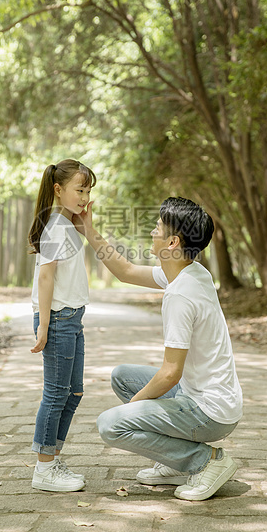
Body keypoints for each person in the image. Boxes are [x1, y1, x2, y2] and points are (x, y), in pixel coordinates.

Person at [75, 196, 243, 501]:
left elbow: (170, 374)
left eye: (157, 227)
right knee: (122, 376)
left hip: (210, 412)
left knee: (110, 425)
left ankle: (205, 462)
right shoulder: (191, 271)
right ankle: (175, 460)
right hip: (207, 398)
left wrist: (133, 408)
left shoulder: (180, 294)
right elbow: (125, 271)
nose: (152, 232)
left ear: (173, 242)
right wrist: (89, 228)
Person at [27, 158, 96, 492]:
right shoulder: (55, 226)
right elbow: (45, 276)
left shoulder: (68, 225)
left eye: (87, 190)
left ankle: (52, 458)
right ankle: (44, 468)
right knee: (55, 394)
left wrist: (86, 224)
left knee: (74, 392)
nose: (84, 197)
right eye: (78, 189)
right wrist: (43, 326)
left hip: (73, 318)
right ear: (59, 189)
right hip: (58, 319)